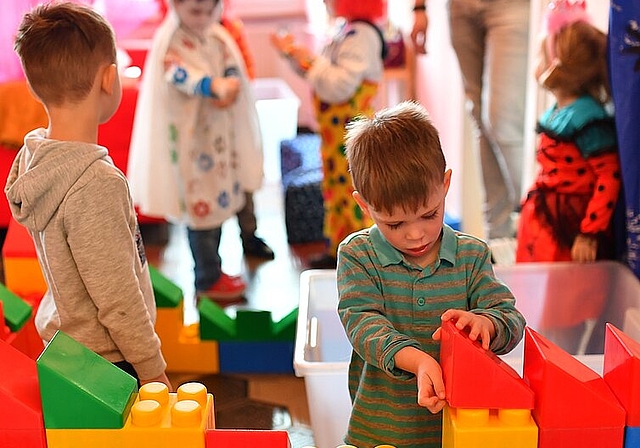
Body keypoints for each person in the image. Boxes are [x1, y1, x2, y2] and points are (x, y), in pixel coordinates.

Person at [337, 101, 526, 447]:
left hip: (458, 432)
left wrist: (487, 324)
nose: (415, 234)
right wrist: (419, 360)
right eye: (394, 223)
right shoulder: (357, 255)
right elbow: (362, 325)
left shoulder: (472, 255)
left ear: (444, 184)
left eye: (429, 214)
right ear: (364, 205)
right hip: (381, 433)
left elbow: (510, 319)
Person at [6, 2, 171, 389]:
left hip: (65, 346)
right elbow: (117, 297)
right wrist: (151, 369)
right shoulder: (96, 183)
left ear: (33, 85)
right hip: (107, 361)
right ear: (108, 79)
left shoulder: (34, 158)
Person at [127, 0, 265, 300]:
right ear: (176, 6)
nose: (202, 19)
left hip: (218, 146)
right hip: (192, 149)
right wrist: (211, 86)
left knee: (217, 208)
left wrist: (229, 81)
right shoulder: (172, 40)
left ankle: (214, 269)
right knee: (200, 213)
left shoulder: (216, 35)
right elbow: (176, 73)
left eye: (209, 12)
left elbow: (231, 61)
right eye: (194, 12)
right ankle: (206, 278)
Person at [271, 0, 387, 269]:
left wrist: (311, 63)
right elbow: (322, 73)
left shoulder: (362, 36)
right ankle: (339, 247)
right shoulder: (346, 31)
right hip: (335, 137)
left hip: (351, 134)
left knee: (354, 194)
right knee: (336, 193)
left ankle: (361, 255)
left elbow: (339, 86)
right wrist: (295, 56)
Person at [411, 0, 530, 256]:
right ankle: (496, 242)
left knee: (502, 120)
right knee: (479, 118)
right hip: (460, 6)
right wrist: (419, 8)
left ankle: (534, 224)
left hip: (512, 6)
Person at [516, 0, 621, 263]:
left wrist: (589, 232)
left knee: (565, 293)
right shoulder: (559, 110)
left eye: (541, 56)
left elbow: (609, 175)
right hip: (548, 219)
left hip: (570, 228)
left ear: (555, 65)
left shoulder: (587, 118)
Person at [219, 3, 274, 260]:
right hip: (207, 127)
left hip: (234, 117)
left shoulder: (230, 27)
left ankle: (249, 235)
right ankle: (213, 254)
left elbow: (245, 68)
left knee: (243, 180)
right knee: (213, 185)